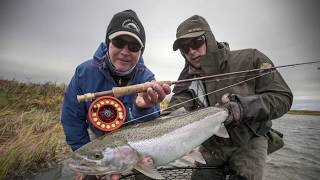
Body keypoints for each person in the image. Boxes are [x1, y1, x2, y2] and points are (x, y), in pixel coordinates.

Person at [167, 15, 293, 180]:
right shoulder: (186, 78)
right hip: (211, 146)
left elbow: (282, 97)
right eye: (184, 47)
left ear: (209, 39)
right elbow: (176, 110)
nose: (191, 50)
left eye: (196, 42)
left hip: (250, 142)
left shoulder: (252, 58)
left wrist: (243, 107)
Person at [60, 9, 170, 180]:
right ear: (108, 43)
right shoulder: (84, 73)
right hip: (100, 147)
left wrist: (143, 108)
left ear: (141, 51)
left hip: (136, 147)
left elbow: (153, 128)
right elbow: (72, 118)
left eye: (133, 46)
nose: (125, 51)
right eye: (119, 42)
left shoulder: (148, 80)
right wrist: (83, 153)